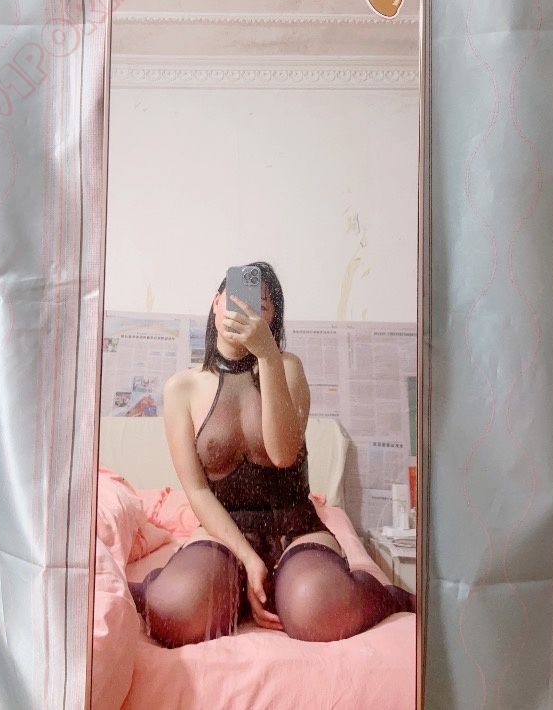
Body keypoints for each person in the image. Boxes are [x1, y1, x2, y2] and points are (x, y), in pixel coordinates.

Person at [128, 262, 415, 647]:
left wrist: (267, 355)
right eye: (235, 298)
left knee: (316, 610)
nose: (244, 310)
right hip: (224, 534)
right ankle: (161, 586)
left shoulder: (287, 368)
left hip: (295, 527)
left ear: (272, 319)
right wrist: (249, 560)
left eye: (260, 305)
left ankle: (386, 595)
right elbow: (197, 491)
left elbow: (282, 454)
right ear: (216, 303)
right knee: (176, 611)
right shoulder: (182, 388)